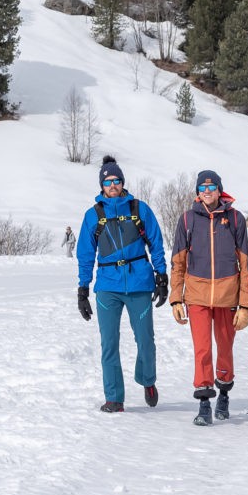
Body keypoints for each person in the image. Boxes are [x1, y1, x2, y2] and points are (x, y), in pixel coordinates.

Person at [76, 155, 168, 413]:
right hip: (107, 287)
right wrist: (83, 289)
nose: (113, 185)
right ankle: (114, 398)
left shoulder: (139, 209)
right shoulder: (93, 215)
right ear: (101, 185)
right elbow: (85, 255)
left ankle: (147, 380)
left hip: (139, 282)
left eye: (117, 180)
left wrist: (161, 276)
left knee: (146, 341)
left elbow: (156, 243)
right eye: (108, 181)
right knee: (109, 344)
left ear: (123, 182)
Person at [169, 170, 248, 426]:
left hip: (228, 297)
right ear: (198, 192)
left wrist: (245, 305)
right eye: (203, 188)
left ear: (219, 190)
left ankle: (224, 390)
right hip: (197, 295)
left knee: (225, 348)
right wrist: (176, 298)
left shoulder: (235, 219)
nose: (207, 192)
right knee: (202, 349)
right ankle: (204, 401)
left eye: (212, 187)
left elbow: (246, 264)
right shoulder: (187, 220)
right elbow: (178, 262)